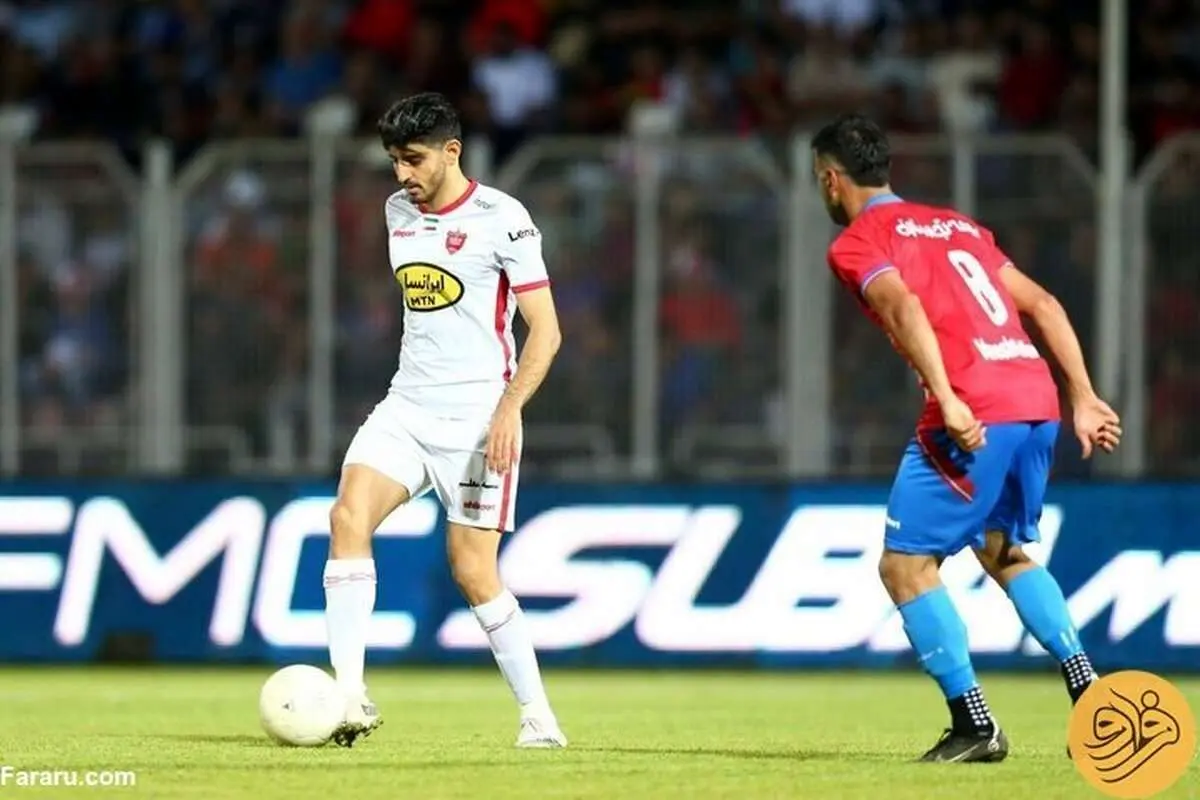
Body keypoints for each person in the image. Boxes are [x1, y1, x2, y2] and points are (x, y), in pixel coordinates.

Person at [812, 113, 1121, 763]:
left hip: (976, 405)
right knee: (1002, 548)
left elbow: (903, 307)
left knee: (904, 566)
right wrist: (1084, 396)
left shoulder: (859, 241)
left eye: (820, 180)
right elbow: (1044, 305)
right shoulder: (957, 226)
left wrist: (947, 397)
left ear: (832, 180)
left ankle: (974, 724)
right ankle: (1089, 692)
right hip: (1036, 399)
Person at [324, 92, 566, 749]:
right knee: (347, 518)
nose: (401, 174)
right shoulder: (397, 211)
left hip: (477, 418)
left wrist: (509, 409)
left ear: (452, 151)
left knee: (473, 571)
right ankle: (348, 697)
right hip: (406, 406)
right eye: (394, 161)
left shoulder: (503, 219)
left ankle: (539, 717)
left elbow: (545, 331)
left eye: (413, 159)